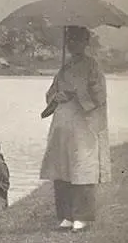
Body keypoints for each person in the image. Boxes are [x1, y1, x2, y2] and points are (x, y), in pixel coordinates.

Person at [39, 26, 111, 232]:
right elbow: (51, 93)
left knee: (81, 168)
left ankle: (82, 216)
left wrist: (76, 92)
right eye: (70, 40)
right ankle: (66, 214)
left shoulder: (92, 67)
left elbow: (99, 97)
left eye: (77, 40)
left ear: (85, 43)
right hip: (62, 125)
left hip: (83, 125)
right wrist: (57, 96)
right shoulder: (65, 67)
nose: (72, 44)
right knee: (62, 167)